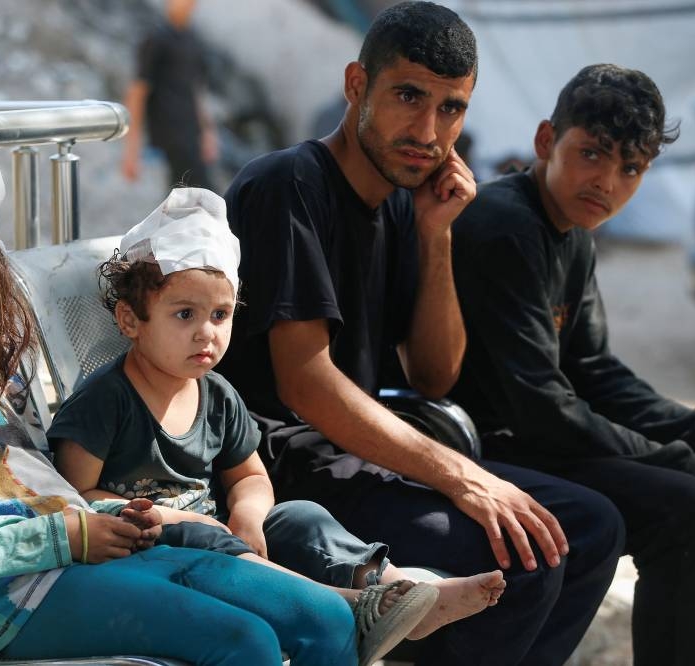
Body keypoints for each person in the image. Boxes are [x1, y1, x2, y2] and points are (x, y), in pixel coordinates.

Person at [0, 135, 361, 666]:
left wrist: (124, 514)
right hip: (22, 601)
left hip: (92, 553)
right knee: (245, 643)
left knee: (326, 621)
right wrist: (65, 537)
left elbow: (48, 487)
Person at [217, 3, 626, 665]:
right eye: (409, 96)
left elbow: (434, 376)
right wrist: (463, 477)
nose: (429, 130)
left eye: (451, 108)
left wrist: (437, 238)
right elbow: (306, 383)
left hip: (364, 460)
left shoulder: (404, 203)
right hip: (283, 475)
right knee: (520, 560)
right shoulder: (288, 185)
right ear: (357, 86)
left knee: (590, 527)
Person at [48, 186, 507, 665]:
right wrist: (167, 517)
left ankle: (393, 586)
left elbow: (248, 476)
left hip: (220, 536)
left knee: (299, 515)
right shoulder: (105, 400)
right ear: (130, 319)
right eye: (185, 315)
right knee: (205, 534)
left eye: (220, 315)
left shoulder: (217, 394)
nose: (207, 332)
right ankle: (352, 607)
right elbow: (77, 496)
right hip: (151, 551)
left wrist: (247, 513)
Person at [447, 63, 695, 666]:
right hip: (489, 449)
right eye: (592, 154)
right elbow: (541, 406)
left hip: (545, 437)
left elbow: (597, 372)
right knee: (691, 507)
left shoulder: (574, 231)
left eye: (630, 168)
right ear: (544, 142)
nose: (606, 181)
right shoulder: (505, 225)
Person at [121, 0, 217, 189]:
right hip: (168, 137)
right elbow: (137, 92)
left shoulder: (194, 41)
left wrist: (208, 133)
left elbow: (197, 91)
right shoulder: (156, 40)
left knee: (194, 200)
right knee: (193, 199)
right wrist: (131, 152)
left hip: (191, 134)